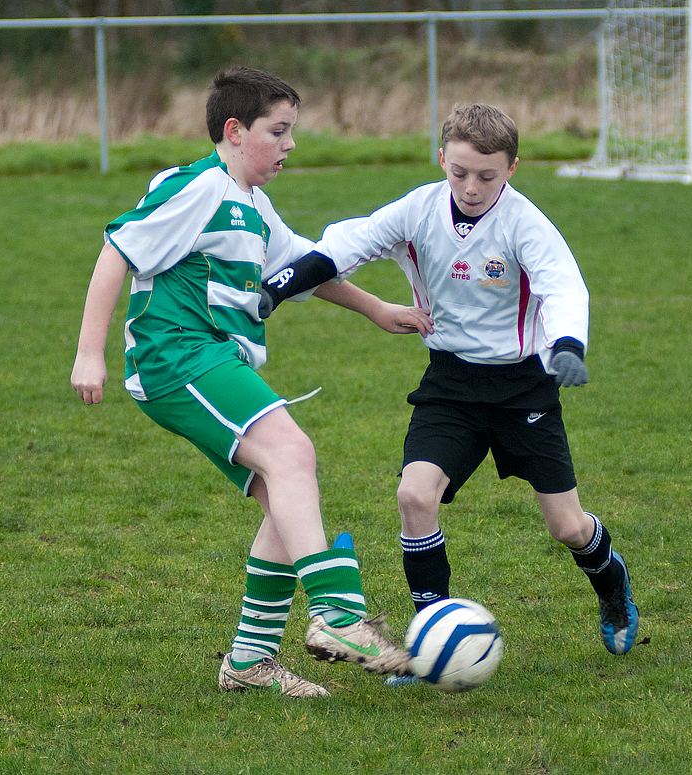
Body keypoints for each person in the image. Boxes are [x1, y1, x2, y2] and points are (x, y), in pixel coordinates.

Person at [70, 66, 433, 699]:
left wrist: (377, 309)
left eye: (292, 131)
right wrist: (87, 354)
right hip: (177, 354)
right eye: (278, 131)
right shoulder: (198, 188)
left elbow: (307, 268)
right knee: (293, 452)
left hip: (210, 359)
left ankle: (249, 661)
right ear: (235, 131)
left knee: (285, 501)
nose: (290, 144)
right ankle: (338, 614)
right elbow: (116, 251)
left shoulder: (254, 205)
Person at [258, 103, 639, 661]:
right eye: (459, 172)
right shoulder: (419, 209)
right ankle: (430, 640)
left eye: (487, 175)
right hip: (450, 383)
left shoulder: (525, 223)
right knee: (414, 495)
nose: (471, 187)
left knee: (567, 527)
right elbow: (346, 246)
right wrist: (278, 288)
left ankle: (611, 583)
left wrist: (567, 347)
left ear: (512, 169)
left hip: (522, 387)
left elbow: (562, 286)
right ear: (442, 159)